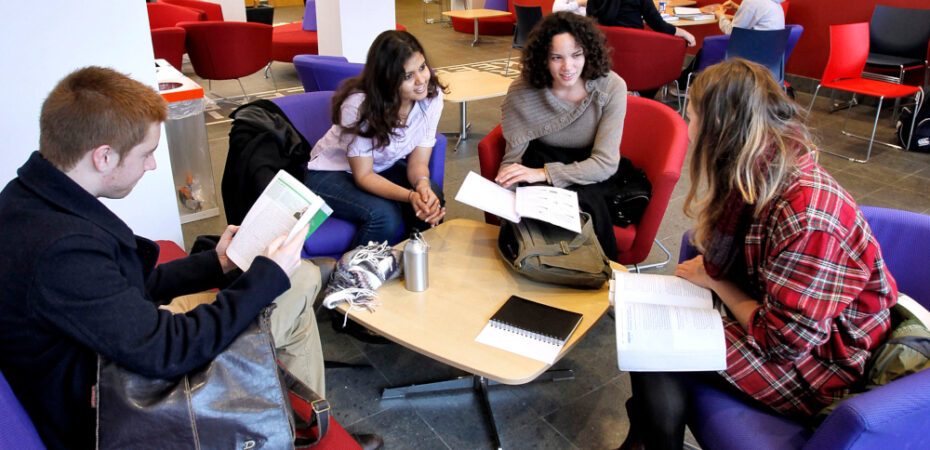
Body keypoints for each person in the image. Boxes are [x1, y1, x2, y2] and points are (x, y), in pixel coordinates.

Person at [0, 67, 344, 449]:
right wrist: (266, 275)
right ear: (103, 156)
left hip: (113, 359)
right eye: (146, 153)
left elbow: (120, 289)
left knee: (299, 285)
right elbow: (170, 351)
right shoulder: (61, 251)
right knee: (295, 286)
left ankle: (289, 427)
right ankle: (293, 429)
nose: (151, 165)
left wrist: (219, 262)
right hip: (124, 402)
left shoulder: (29, 199)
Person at [618, 59, 897, 450]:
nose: (688, 127)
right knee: (647, 333)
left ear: (721, 129)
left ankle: (650, 443)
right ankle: (647, 440)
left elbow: (781, 343)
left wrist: (716, 282)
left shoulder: (807, 215)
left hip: (825, 363)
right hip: (784, 323)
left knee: (654, 343)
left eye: (693, 117)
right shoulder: (755, 171)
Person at [496, 11, 627, 261]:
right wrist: (503, 197)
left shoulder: (611, 87)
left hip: (589, 169)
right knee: (528, 211)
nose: (568, 67)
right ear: (543, 59)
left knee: (585, 207)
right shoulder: (523, 92)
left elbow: (606, 163)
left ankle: (591, 275)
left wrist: (544, 173)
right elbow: (512, 161)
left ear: (588, 51)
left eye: (576, 54)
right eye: (557, 58)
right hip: (540, 159)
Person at [305, 30, 446, 249]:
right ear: (387, 79)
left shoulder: (432, 97)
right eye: (407, 76)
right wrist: (410, 196)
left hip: (379, 168)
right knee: (384, 216)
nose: (421, 80)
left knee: (432, 196)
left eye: (422, 67)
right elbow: (363, 175)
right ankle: (352, 277)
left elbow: (418, 163)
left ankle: (413, 264)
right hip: (331, 173)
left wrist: (422, 185)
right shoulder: (359, 106)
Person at [714, 0, 785, 35]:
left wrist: (721, 17)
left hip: (747, 58)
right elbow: (758, 15)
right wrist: (739, 8)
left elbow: (732, 32)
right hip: (769, 57)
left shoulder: (751, 1)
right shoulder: (777, 4)